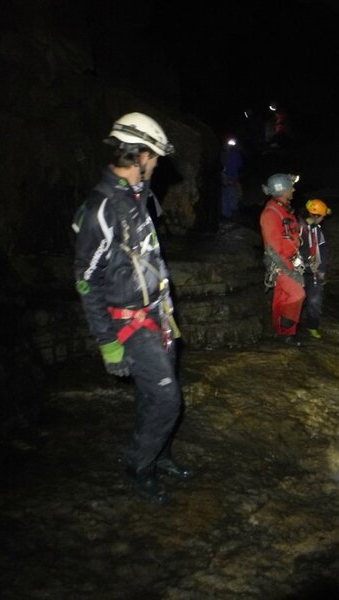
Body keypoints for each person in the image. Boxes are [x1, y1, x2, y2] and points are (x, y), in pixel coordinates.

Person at [72, 112, 193, 505]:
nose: (157, 164)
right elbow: (87, 280)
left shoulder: (139, 196)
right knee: (165, 398)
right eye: (154, 157)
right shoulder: (101, 207)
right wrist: (108, 344)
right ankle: (139, 467)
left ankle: (161, 455)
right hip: (128, 322)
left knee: (157, 392)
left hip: (158, 313)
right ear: (138, 155)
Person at [259, 173, 305, 345]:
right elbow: (272, 248)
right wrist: (287, 270)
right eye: (290, 187)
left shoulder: (284, 208)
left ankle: (283, 333)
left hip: (290, 258)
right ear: (283, 190)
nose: (293, 189)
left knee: (283, 295)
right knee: (296, 293)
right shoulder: (271, 213)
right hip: (279, 261)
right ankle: (287, 329)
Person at [298, 199, 332, 339]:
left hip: (314, 270)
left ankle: (313, 326)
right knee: (297, 298)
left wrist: (322, 270)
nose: (323, 219)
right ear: (315, 215)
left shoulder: (317, 230)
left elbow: (322, 250)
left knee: (314, 300)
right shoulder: (298, 228)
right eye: (323, 216)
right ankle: (292, 327)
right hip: (298, 270)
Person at [220, 136, 243, 219]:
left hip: (233, 181)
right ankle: (227, 216)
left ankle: (232, 215)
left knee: (233, 197)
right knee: (226, 198)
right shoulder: (222, 155)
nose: (229, 145)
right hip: (225, 181)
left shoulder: (236, 155)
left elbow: (239, 167)